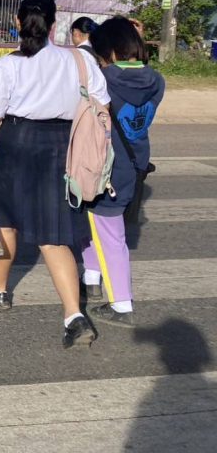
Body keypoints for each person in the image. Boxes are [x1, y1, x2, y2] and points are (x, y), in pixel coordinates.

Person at [0, 0, 110, 349]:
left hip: (16, 143)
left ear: (17, 22)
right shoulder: (79, 60)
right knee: (53, 233)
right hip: (62, 146)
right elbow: (102, 104)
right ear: (55, 24)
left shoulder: (8, 65)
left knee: (4, 221)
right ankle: (74, 315)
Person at [80, 17, 164, 328]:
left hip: (104, 165)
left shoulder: (103, 80)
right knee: (96, 222)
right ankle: (91, 277)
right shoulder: (156, 81)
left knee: (110, 234)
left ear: (109, 52)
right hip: (134, 162)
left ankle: (121, 304)